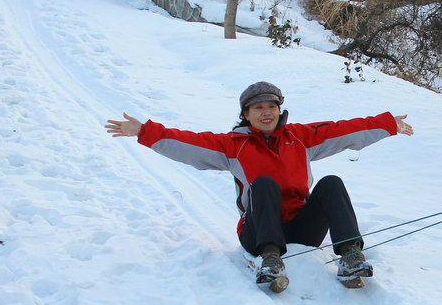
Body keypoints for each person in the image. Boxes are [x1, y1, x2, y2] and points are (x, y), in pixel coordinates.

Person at [106, 81, 413, 289]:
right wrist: (144, 131)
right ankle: (270, 260)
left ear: (280, 110)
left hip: (301, 229)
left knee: (331, 183)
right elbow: (186, 143)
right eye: (258, 108)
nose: (266, 112)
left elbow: (343, 130)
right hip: (257, 233)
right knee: (264, 183)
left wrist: (386, 124)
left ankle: (349, 257)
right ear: (246, 115)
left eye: (271, 106)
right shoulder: (232, 145)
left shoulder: (299, 137)